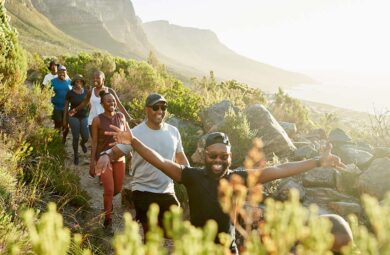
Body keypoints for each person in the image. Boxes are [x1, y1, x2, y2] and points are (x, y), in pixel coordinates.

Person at [99, 130, 353, 254]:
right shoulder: (192, 176)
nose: (218, 160)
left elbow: (280, 169)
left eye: (224, 156)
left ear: (231, 157)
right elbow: (161, 162)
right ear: (204, 155)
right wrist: (134, 142)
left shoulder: (239, 178)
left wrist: (318, 162)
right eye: (213, 155)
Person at [98, 93, 189, 234]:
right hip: (143, 189)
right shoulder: (136, 133)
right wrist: (105, 155)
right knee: (151, 232)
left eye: (163, 107)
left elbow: (181, 158)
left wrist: (192, 177)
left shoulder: (173, 132)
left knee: (173, 231)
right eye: (155, 107)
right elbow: (116, 152)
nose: (160, 111)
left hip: (167, 190)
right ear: (147, 109)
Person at [90, 91, 128, 227]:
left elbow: (128, 137)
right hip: (102, 157)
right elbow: (94, 143)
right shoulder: (97, 120)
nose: (112, 103)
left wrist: (132, 154)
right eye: (108, 101)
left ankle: (108, 204)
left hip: (119, 157)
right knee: (109, 190)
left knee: (117, 189)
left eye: (113, 100)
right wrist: (92, 163)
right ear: (102, 104)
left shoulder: (121, 116)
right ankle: (107, 220)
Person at [68, 70, 133, 134]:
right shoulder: (91, 91)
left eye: (98, 78)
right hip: (92, 122)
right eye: (94, 78)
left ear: (103, 79)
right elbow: (85, 103)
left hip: (107, 122)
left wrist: (129, 118)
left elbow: (119, 104)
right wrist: (75, 110)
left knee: (105, 142)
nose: (95, 80)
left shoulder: (109, 91)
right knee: (95, 142)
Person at [64, 74, 89, 165]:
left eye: (80, 81)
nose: (78, 83)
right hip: (73, 117)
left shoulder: (86, 91)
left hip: (85, 116)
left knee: (86, 136)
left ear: (82, 82)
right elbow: (66, 107)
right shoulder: (70, 92)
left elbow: (89, 104)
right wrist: (65, 120)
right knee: (76, 137)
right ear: (73, 82)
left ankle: (82, 144)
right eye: (76, 81)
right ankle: (76, 155)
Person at [50, 64, 71, 143]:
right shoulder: (53, 82)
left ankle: (64, 138)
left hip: (67, 107)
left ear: (66, 72)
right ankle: (56, 140)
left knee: (66, 125)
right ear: (57, 72)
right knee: (57, 124)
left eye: (63, 71)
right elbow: (47, 92)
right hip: (56, 107)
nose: (62, 73)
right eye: (60, 71)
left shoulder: (69, 81)